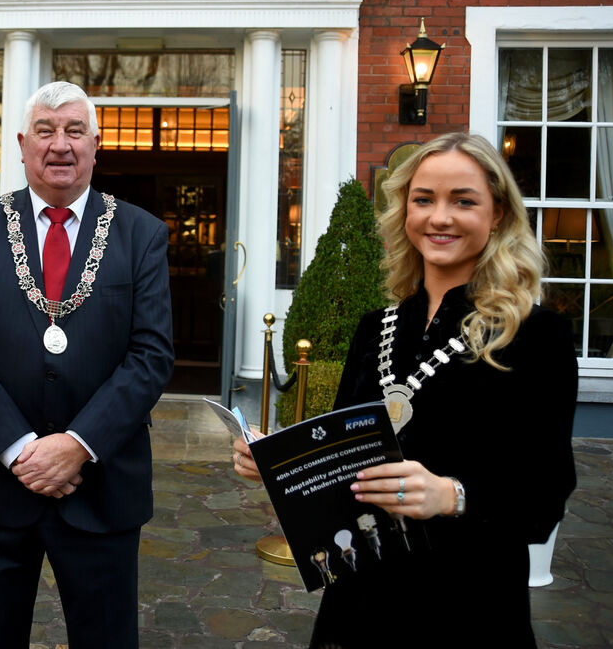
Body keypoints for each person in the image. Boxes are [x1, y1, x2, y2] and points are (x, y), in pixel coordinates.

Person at [233, 133, 577, 649]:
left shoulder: (534, 335)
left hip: (467, 603)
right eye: (424, 200)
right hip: (360, 603)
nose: (440, 217)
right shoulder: (376, 327)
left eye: (463, 200)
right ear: (404, 211)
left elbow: (545, 495)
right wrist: (285, 465)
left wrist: (451, 495)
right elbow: (346, 463)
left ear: (499, 214)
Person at [0, 81, 174, 648]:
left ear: (97, 144)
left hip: (101, 488)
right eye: (45, 130)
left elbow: (151, 354)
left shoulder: (142, 235)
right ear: (21, 144)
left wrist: (77, 445)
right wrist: (20, 449)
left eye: (74, 131)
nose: (59, 145)